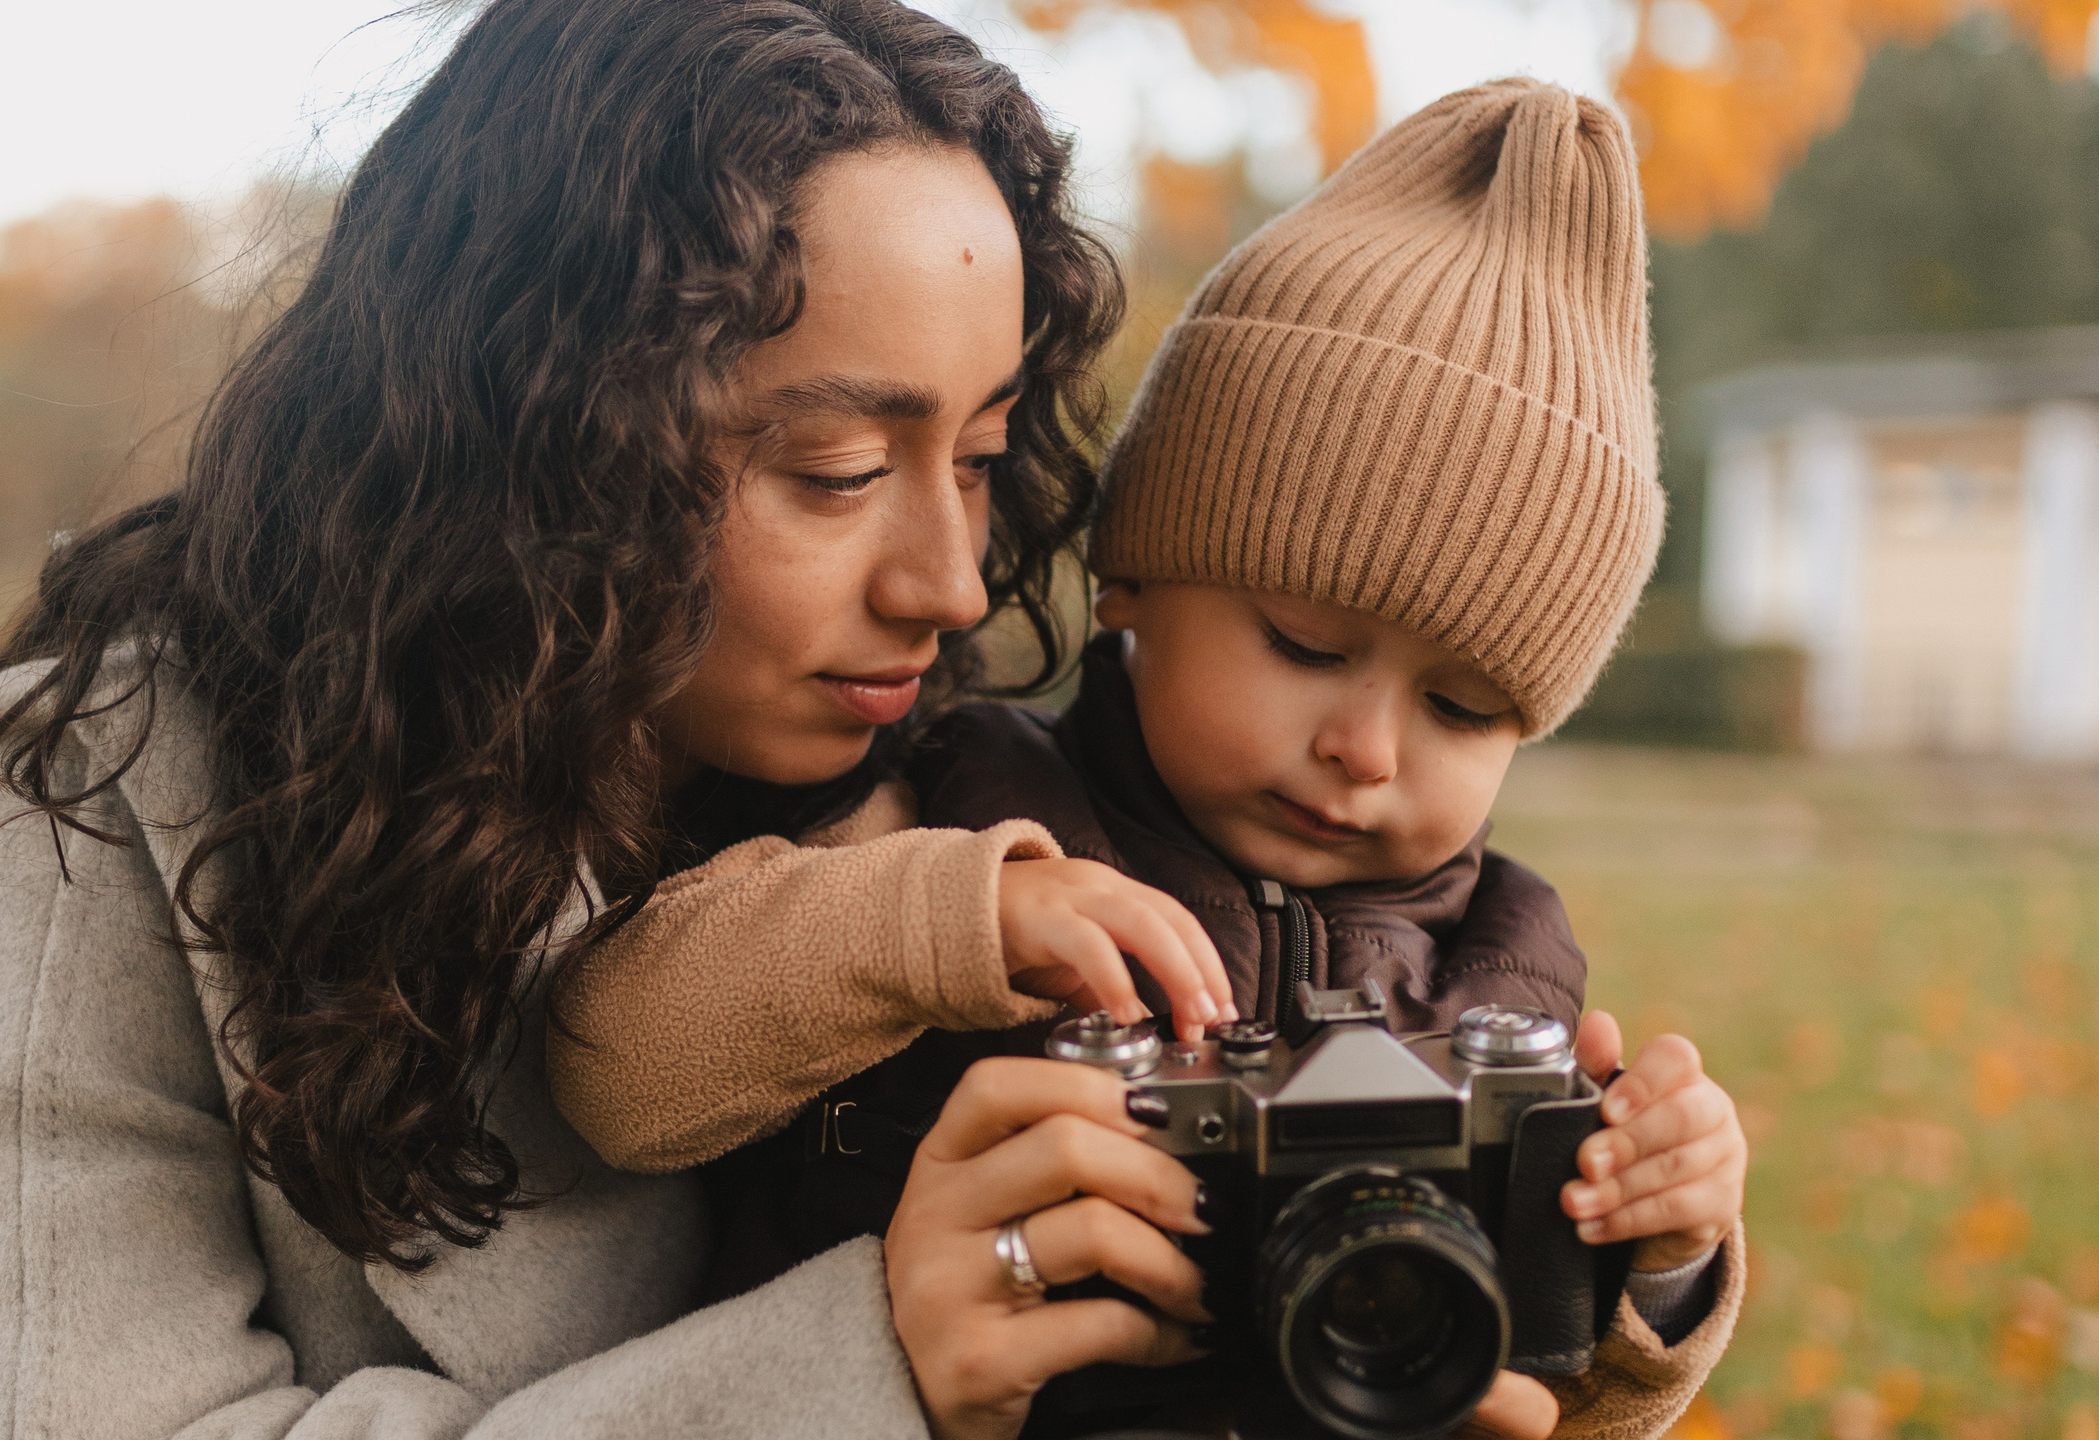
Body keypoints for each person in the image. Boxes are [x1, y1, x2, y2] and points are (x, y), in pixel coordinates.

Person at [0, 2, 1253, 1438]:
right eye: (832, 471)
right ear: (550, 442)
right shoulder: (115, 785)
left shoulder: (959, 797)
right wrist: (866, 1368)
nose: (953, 584)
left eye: (977, 458)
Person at [548, 81, 1748, 1439]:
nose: (1365, 749)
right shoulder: (945, 813)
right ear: (1130, 584)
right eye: (1302, 642)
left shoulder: (1507, 978)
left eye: (1466, 710)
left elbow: (1548, 1406)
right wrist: (953, 915)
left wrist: (1663, 1259)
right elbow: (609, 1070)